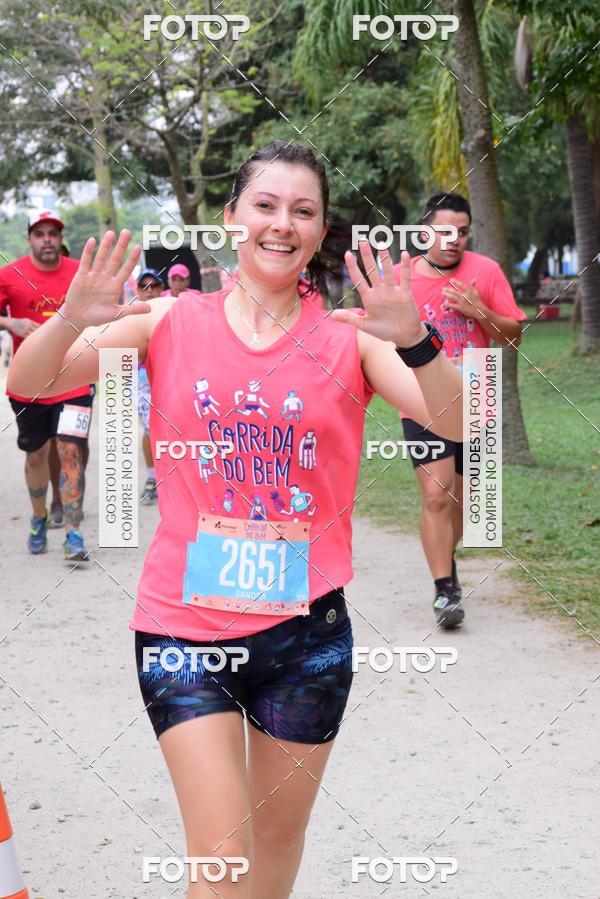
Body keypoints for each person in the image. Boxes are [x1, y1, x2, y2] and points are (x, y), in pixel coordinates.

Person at [9, 142, 463, 898]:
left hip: (306, 636)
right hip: (184, 631)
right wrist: (67, 321)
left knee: (276, 850)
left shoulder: (350, 336)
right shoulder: (166, 320)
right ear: (231, 219)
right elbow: (31, 383)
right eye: (265, 205)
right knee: (220, 865)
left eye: (303, 211)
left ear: (321, 232)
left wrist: (415, 339)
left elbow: (452, 418)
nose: (282, 224)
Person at [394, 193, 527, 629]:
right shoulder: (401, 279)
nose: (453, 240)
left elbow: (513, 337)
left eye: (462, 232)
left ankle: (444, 560)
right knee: (436, 492)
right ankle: (444, 588)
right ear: (424, 231)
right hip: (423, 394)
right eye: (444, 231)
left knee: (468, 505)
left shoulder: (484, 272)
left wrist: (478, 310)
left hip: (479, 387)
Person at [0, 210, 92, 560]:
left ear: (60, 238)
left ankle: (73, 531)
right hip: (29, 384)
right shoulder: (9, 275)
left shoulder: (79, 274)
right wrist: (12, 322)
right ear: (30, 239)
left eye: (53, 233)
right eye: (40, 234)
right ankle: (38, 518)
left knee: (70, 451)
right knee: (37, 453)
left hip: (75, 379)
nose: (48, 239)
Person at [135, 268, 165, 502]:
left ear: (161, 289)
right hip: (141, 381)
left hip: (168, 376)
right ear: (138, 290)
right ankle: (152, 477)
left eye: (154, 286)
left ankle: (171, 477)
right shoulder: (129, 314)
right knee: (150, 427)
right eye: (144, 286)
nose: (150, 291)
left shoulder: (171, 311)